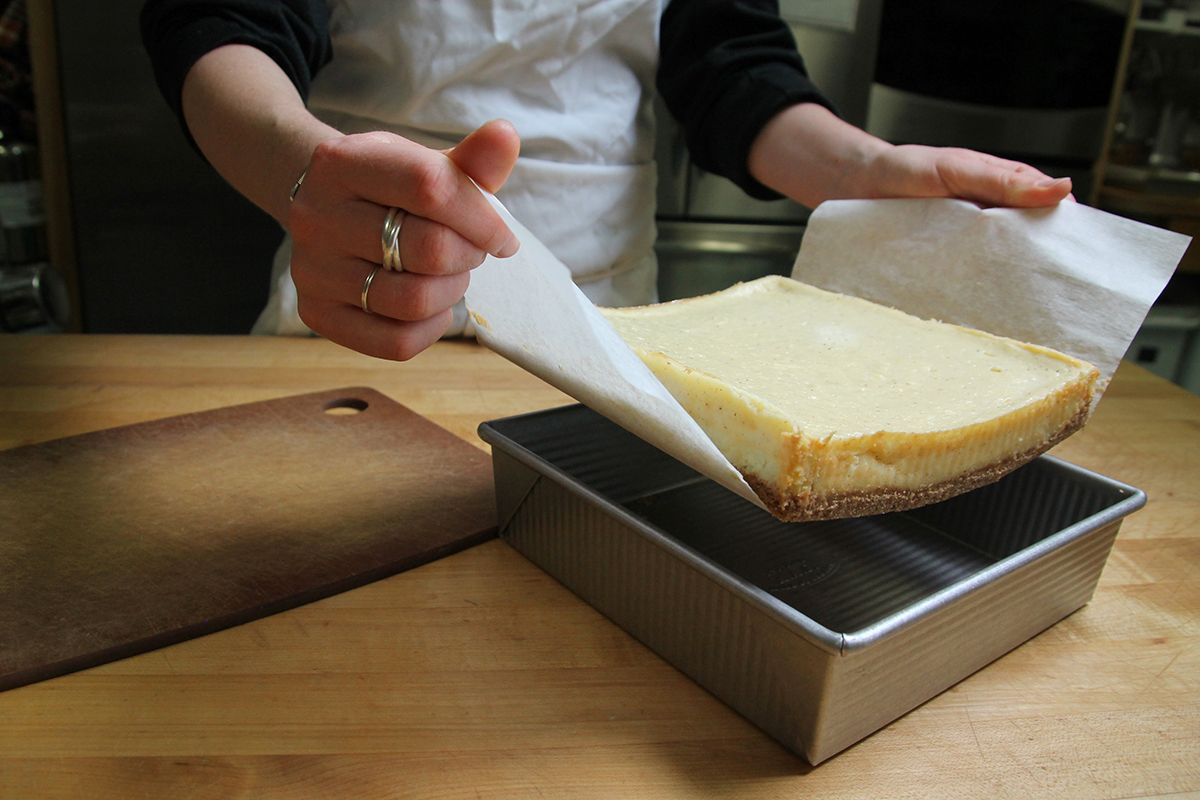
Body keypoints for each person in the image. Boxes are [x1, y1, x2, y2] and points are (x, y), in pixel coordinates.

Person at [141, 0, 1073, 362]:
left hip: (598, 330)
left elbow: (730, 70)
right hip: (356, 291)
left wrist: (868, 170)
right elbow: (222, 21)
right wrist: (307, 169)